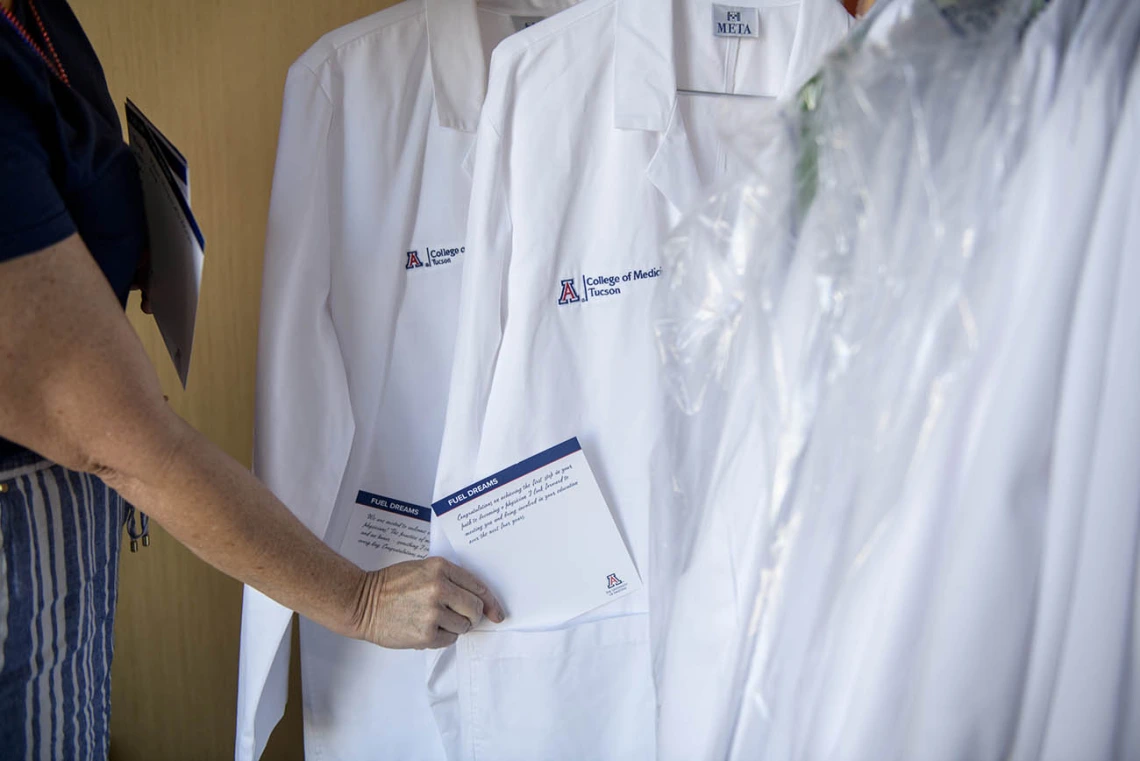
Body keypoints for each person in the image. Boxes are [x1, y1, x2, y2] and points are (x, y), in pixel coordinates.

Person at [0, 0, 504, 757]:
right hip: (25, 539)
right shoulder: (341, 81)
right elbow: (121, 438)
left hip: (71, 519)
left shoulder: (37, 15)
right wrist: (357, 600)